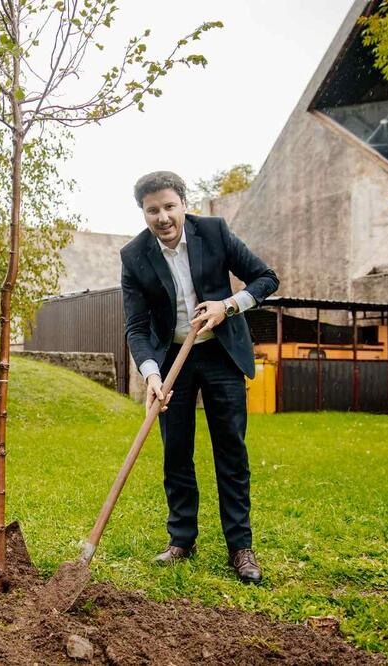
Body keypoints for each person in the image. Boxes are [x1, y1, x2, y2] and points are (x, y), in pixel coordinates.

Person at [120, 170, 278, 584]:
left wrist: (228, 305)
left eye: (169, 206)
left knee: (231, 451)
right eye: (152, 210)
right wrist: (152, 375)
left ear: (183, 204)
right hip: (172, 359)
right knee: (176, 451)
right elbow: (136, 327)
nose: (162, 217)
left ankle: (240, 548)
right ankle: (182, 540)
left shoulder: (214, 232)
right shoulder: (134, 256)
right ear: (143, 213)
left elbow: (266, 279)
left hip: (221, 354)